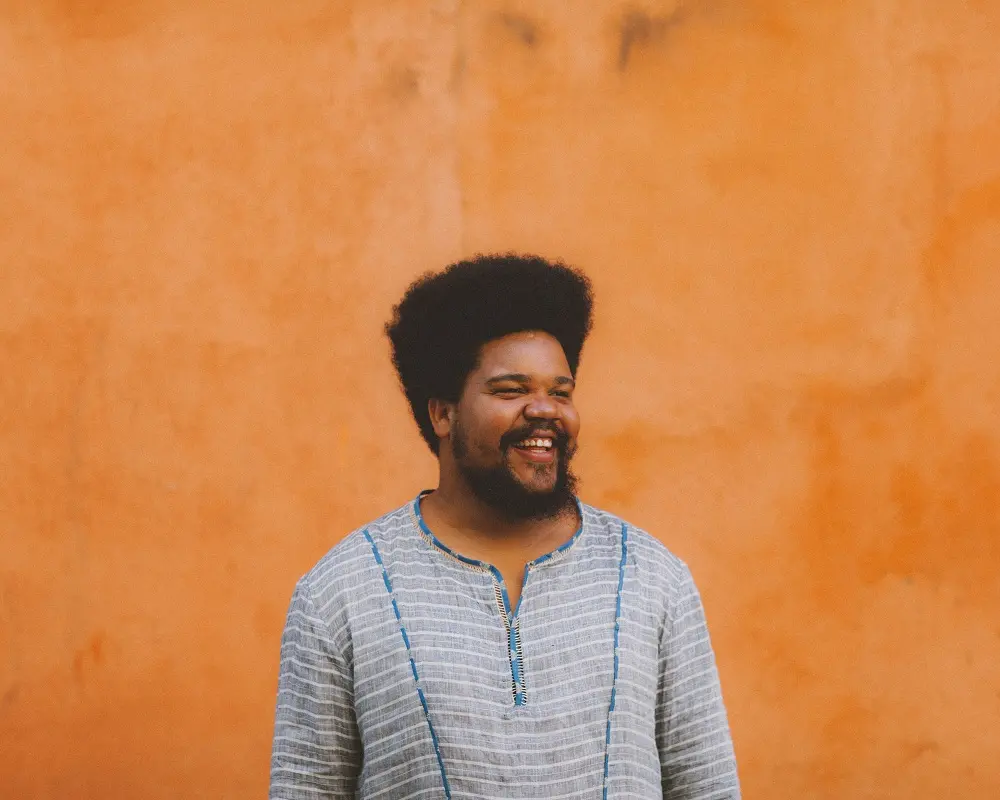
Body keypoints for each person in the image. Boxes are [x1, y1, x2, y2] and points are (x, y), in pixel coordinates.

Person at [269, 254, 741, 799]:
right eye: (511, 390)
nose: (545, 411)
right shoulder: (341, 592)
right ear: (442, 414)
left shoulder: (653, 578)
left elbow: (708, 788)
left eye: (560, 392)